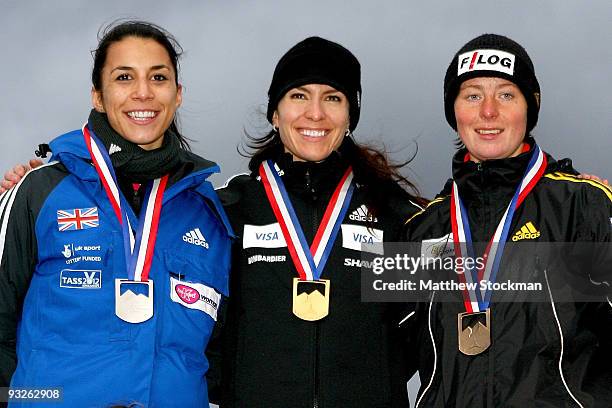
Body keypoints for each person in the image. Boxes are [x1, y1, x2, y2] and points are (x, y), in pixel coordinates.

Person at [0, 20, 233, 407]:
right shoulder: (40, 192)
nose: (143, 93)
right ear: (97, 95)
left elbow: (220, 354)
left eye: (158, 78)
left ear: (178, 95)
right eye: (124, 77)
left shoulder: (209, 212)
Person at [205, 37, 425, 407]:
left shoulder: (392, 215)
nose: (316, 113)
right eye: (299, 96)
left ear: (350, 116)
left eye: (333, 98)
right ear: (275, 113)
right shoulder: (230, 210)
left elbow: (432, 330)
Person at [403, 34, 612, 407]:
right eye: (472, 95)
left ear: (529, 108)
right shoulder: (423, 227)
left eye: (505, 94)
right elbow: (377, 355)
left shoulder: (582, 206)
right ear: (454, 110)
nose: (488, 112)